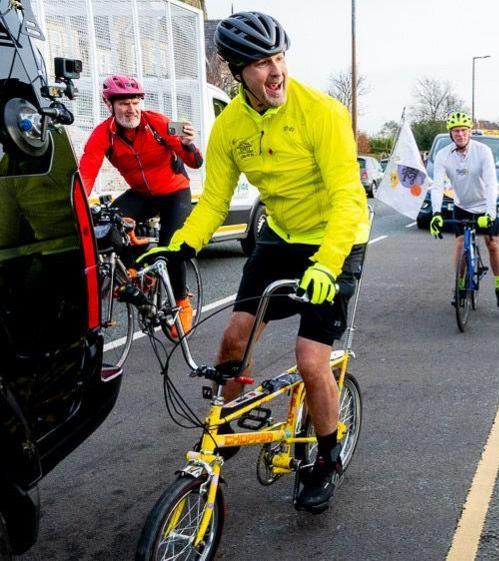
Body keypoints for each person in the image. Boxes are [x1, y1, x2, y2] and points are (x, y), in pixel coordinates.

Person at [138, 11, 370, 514]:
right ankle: (230, 422)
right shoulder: (229, 127)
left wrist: (328, 265)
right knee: (234, 338)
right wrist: (181, 244)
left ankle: (324, 461)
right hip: (280, 236)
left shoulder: (322, 113)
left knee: (311, 359)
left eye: (280, 57)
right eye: (262, 62)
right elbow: (214, 204)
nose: (276, 71)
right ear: (236, 71)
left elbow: (349, 198)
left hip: (337, 239)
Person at [79, 75, 204, 334]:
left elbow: (195, 162)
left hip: (174, 192)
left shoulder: (161, 123)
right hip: (141, 194)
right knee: (106, 222)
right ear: (109, 105)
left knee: (172, 247)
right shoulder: (103, 134)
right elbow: (87, 173)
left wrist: (189, 144)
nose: (131, 109)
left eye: (135, 102)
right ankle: (137, 272)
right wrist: (76, 205)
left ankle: (182, 302)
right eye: (124, 103)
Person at [428, 112, 499, 307]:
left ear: (470, 132)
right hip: (462, 205)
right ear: (451, 134)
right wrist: (436, 213)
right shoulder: (443, 155)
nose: (460, 134)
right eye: (456, 131)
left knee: (492, 243)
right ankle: (460, 286)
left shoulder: (483, 151)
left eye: (463, 130)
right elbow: (437, 186)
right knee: (460, 243)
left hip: (484, 205)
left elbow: (491, 184)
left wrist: (490, 214)